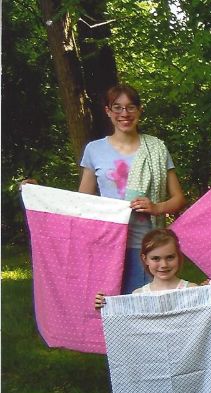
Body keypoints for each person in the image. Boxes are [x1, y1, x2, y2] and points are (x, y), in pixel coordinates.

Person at [78, 84, 187, 293]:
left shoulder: (156, 148)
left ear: (139, 110)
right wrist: (37, 192)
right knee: (113, 305)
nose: (124, 114)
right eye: (117, 108)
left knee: (148, 308)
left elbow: (178, 199)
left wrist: (156, 207)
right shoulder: (94, 150)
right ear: (108, 111)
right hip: (109, 243)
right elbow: (83, 202)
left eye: (130, 107)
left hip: (148, 246)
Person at [95, 228, 211, 306]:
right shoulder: (138, 295)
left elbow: (207, 318)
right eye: (156, 258)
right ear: (145, 259)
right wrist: (106, 305)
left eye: (170, 257)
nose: (164, 265)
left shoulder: (192, 290)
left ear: (178, 256)